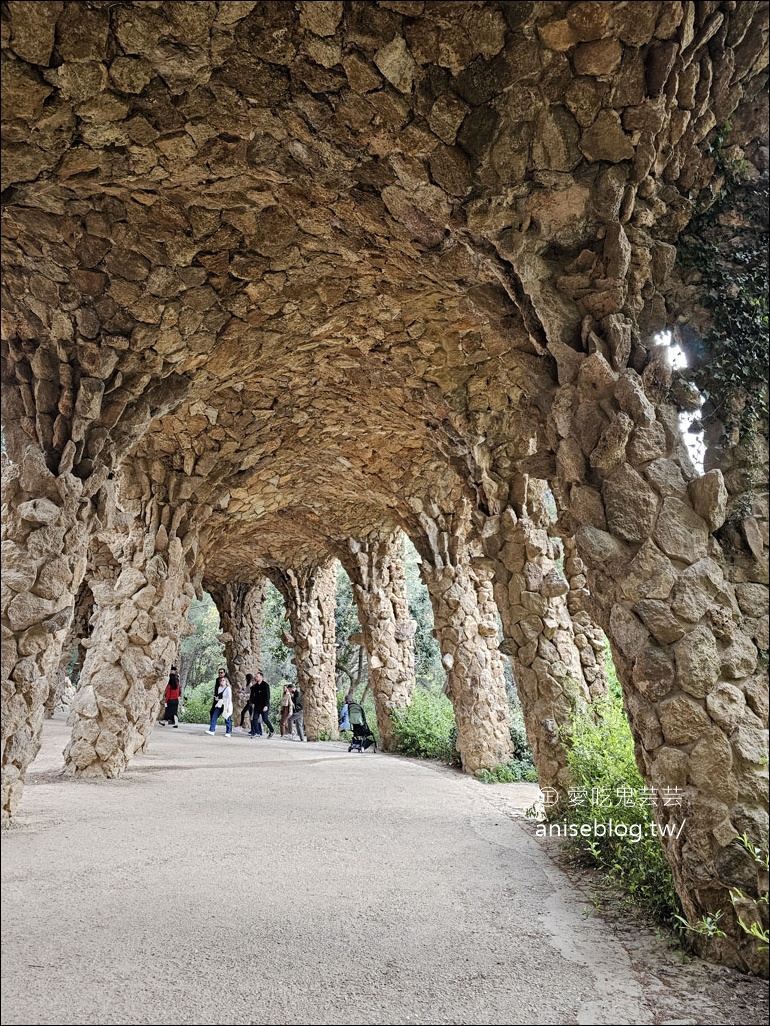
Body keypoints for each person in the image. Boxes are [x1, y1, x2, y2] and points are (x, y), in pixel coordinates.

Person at [207, 668, 233, 737]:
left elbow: (229, 698)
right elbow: (220, 696)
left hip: (226, 704)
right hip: (220, 703)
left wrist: (228, 707)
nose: (221, 681)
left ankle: (228, 732)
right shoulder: (219, 688)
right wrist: (217, 698)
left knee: (227, 717)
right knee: (214, 715)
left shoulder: (228, 689)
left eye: (223, 680)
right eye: (221, 680)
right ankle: (212, 730)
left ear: (226, 681)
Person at [248, 671, 275, 738]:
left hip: (264, 706)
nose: (256, 678)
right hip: (257, 705)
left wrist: (266, 705)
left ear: (261, 677)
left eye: (257, 676)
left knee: (265, 719)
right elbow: (255, 696)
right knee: (254, 719)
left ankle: (272, 730)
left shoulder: (265, 685)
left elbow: (267, 696)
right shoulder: (255, 686)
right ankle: (257, 733)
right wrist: (253, 703)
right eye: (255, 677)